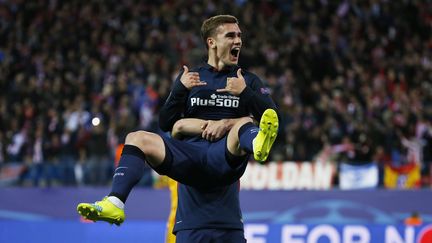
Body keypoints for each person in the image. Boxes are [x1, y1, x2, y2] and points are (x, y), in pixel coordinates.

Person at [77, 14, 279, 242]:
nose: (238, 41)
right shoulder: (191, 78)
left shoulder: (246, 80)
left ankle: (257, 145)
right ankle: (115, 202)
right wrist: (180, 91)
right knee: (136, 137)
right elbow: (166, 122)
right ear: (211, 42)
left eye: (240, 36)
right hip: (190, 157)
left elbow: (270, 117)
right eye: (231, 35)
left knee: (244, 124)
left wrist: (244, 95)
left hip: (224, 155)